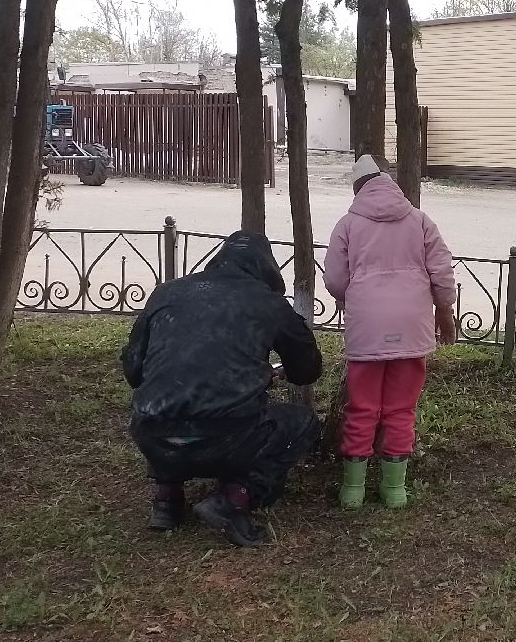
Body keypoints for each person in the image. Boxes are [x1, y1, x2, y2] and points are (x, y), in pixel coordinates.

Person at [123, 231, 324, 547]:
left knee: (169, 400)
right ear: (267, 268)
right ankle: (236, 498)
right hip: (227, 438)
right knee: (303, 423)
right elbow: (307, 370)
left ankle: (166, 499)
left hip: (152, 435)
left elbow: (133, 372)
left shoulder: (166, 294)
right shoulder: (268, 302)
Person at [324, 155, 457, 509]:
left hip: (366, 331)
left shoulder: (347, 224)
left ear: (358, 188)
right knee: (401, 409)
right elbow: (442, 272)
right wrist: (444, 311)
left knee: (362, 407)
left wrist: (353, 298)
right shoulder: (420, 221)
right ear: (391, 183)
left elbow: (335, 279)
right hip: (411, 330)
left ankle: (352, 491)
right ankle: (394, 490)